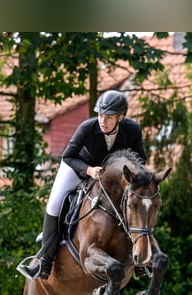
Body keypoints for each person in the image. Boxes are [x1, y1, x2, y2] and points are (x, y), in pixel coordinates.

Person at [17, 90, 147, 280]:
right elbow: (68, 156)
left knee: (138, 204)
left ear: (120, 117)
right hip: (78, 167)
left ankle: (141, 260)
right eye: (101, 115)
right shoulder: (87, 128)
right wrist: (89, 171)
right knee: (54, 203)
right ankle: (43, 262)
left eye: (109, 117)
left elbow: (140, 158)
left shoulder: (132, 130)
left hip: (109, 177)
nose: (103, 121)